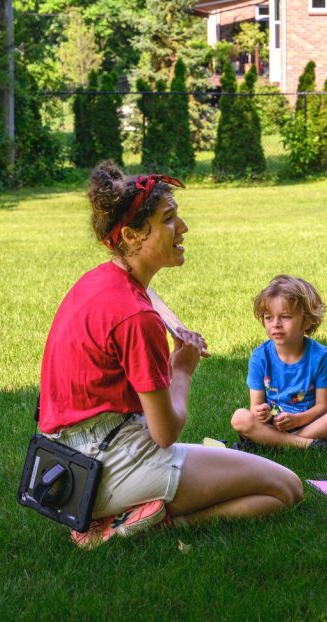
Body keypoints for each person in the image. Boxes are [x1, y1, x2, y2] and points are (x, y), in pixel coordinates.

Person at [38, 162, 302, 549]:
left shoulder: (98, 281)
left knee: (263, 480)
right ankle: (137, 524)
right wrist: (182, 370)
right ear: (131, 235)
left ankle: (121, 513)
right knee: (287, 490)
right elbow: (165, 433)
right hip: (112, 466)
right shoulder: (136, 315)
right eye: (168, 219)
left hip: (66, 467)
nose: (183, 229)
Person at [230, 275, 327, 451]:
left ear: (307, 320)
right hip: (272, 426)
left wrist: (297, 420)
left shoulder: (319, 356)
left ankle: (273, 443)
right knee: (239, 418)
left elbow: (322, 407)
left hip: (309, 424)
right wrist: (261, 412)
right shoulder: (259, 357)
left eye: (285, 317)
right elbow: (255, 407)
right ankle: (308, 445)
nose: (276, 324)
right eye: (268, 317)